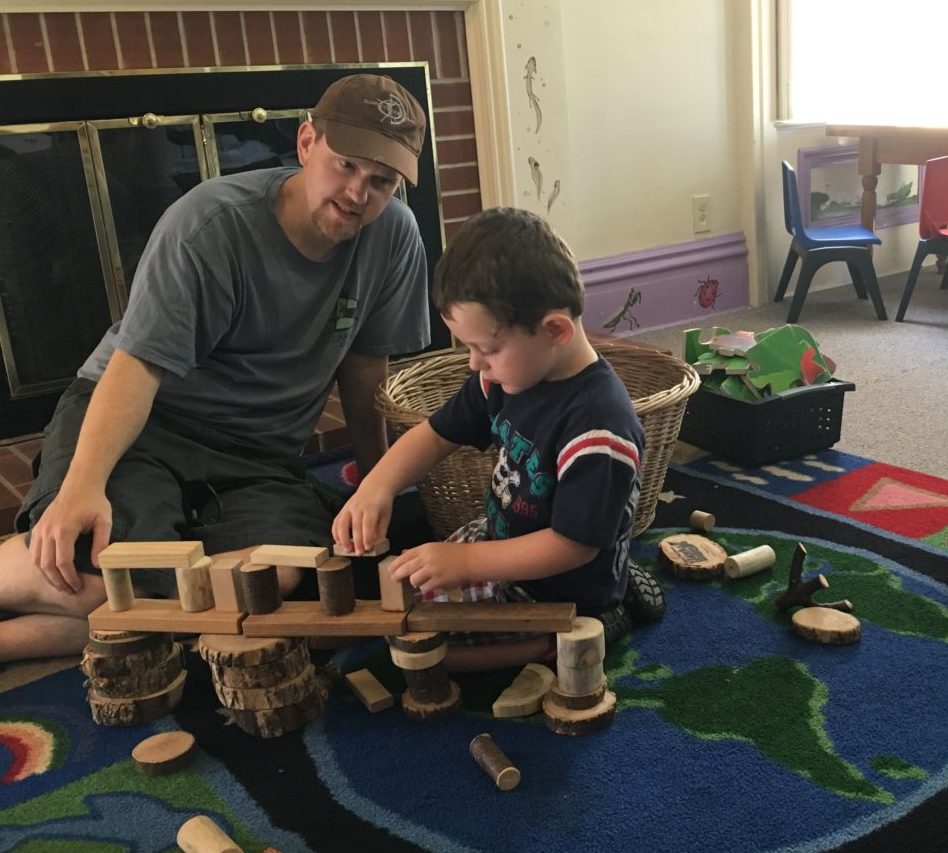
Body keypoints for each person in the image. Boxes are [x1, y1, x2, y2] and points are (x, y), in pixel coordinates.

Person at [0, 73, 431, 662]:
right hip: (146, 421)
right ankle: (21, 567)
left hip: (258, 456)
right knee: (117, 563)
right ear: (307, 143)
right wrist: (82, 488)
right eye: (346, 165)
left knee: (270, 580)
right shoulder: (208, 223)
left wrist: (379, 480)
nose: (359, 192)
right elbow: (137, 368)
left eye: (381, 180)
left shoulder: (396, 238)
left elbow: (364, 369)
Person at [332, 206, 665, 672]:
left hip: (562, 581)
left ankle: (594, 622)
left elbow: (573, 546)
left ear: (554, 331)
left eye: (485, 349)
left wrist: (466, 565)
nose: (474, 364)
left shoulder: (599, 431)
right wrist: (376, 488)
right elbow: (433, 436)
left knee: (429, 655)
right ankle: (618, 579)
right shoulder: (504, 378)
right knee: (403, 594)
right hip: (503, 540)